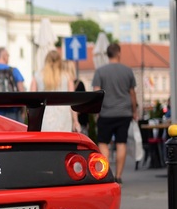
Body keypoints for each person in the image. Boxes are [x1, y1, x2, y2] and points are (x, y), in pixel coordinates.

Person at [92, 42, 137, 184]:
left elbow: (96, 92)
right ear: (118, 53)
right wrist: (135, 111)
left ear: (107, 54)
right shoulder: (128, 71)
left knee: (103, 143)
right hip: (124, 113)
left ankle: (106, 174)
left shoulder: (100, 71)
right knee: (121, 143)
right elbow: (132, 93)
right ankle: (118, 176)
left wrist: (95, 111)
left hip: (106, 113)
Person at [30, 50, 81, 132]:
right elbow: (72, 101)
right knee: (63, 143)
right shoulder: (67, 77)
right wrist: (75, 121)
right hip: (63, 117)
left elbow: (31, 100)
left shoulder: (37, 76)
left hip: (43, 116)